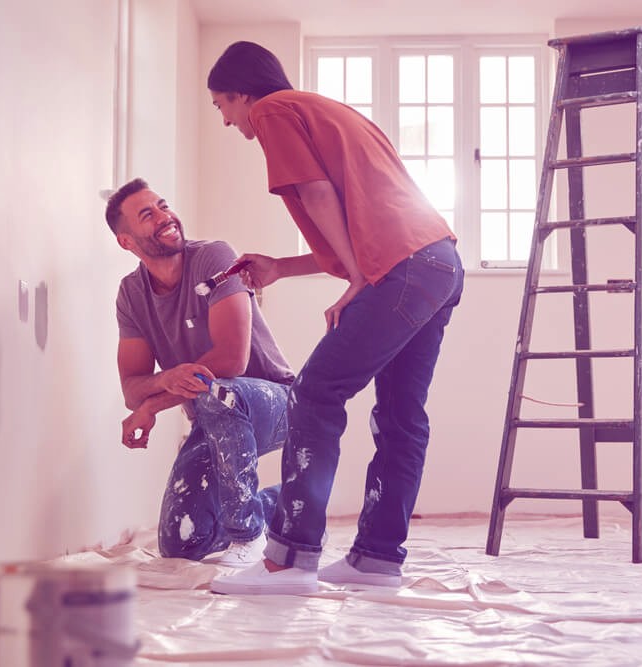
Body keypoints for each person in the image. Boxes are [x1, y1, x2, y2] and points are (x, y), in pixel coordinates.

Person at [205, 41, 465, 595]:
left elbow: (318, 196)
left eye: (222, 106)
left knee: (315, 393)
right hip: (437, 262)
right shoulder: (334, 113)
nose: (227, 121)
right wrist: (282, 267)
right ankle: (376, 559)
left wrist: (358, 278)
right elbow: (360, 216)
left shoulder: (274, 109)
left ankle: (289, 560)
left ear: (242, 93)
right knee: (401, 414)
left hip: (400, 268)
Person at [105, 177, 295, 567]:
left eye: (162, 205)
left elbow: (231, 361)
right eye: (147, 215)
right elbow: (131, 388)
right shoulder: (131, 294)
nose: (164, 216)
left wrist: (152, 407)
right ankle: (289, 506)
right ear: (126, 241)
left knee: (219, 391)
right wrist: (162, 382)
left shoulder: (214, 257)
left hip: (276, 403)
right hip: (213, 416)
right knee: (182, 543)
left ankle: (249, 536)